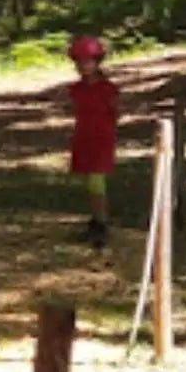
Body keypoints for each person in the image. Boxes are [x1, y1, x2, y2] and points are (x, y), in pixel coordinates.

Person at [67, 36, 119, 249]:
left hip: (101, 140)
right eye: (79, 62)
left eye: (87, 61)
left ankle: (102, 223)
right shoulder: (76, 89)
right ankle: (95, 220)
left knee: (97, 183)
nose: (83, 67)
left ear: (97, 63)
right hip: (83, 138)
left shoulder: (108, 89)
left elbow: (115, 112)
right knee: (89, 183)